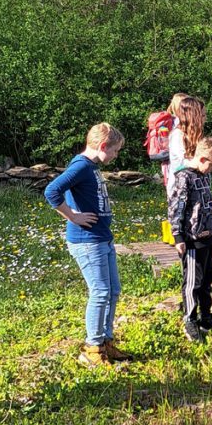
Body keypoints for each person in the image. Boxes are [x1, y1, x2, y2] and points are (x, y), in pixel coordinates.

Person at [44, 123, 130, 366]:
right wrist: (73, 216)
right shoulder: (81, 166)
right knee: (100, 292)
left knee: (112, 291)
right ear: (102, 146)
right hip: (87, 241)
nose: (116, 155)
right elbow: (52, 191)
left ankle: (106, 342)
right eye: (115, 150)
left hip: (102, 238)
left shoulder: (91, 167)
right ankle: (92, 349)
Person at [169, 137, 212, 342]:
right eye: (211, 165)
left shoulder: (204, 175)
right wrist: (178, 236)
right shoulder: (184, 177)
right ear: (202, 159)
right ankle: (190, 320)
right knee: (193, 282)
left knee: (207, 281)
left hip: (207, 237)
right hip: (191, 240)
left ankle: (206, 318)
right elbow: (176, 207)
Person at [166, 96, 206, 200]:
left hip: (197, 187)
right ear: (193, 116)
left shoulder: (195, 136)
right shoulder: (177, 135)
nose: (205, 119)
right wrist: (205, 161)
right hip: (180, 191)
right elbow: (183, 163)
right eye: (202, 115)